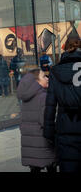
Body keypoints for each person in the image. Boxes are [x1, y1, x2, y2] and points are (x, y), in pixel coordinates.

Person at [44, 38, 81, 173]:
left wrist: (48, 132)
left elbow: (50, 104)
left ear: (65, 49)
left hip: (65, 126)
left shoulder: (56, 71)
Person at [17, 66, 57, 172]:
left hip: (30, 144)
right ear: (36, 82)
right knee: (51, 167)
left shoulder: (25, 99)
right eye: (44, 76)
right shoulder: (44, 97)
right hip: (44, 144)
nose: (47, 78)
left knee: (34, 169)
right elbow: (46, 122)